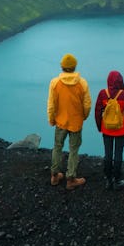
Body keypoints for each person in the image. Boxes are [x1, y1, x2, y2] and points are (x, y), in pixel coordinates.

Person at [47, 53, 92, 190]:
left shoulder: (55, 83)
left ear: (62, 67)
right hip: (76, 122)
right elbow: (87, 104)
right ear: (74, 67)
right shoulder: (82, 83)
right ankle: (71, 178)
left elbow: (51, 104)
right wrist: (84, 116)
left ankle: (54, 176)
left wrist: (51, 119)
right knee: (74, 150)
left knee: (57, 147)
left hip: (60, 121)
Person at [94, 70, 124, 190]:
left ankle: (108, 178)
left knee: (108, 153)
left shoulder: (102, 93)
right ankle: (117, 179)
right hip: (122, 129)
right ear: (121, 80)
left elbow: (97, 111)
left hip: (106, 129)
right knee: (118, 153)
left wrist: (99, 126)